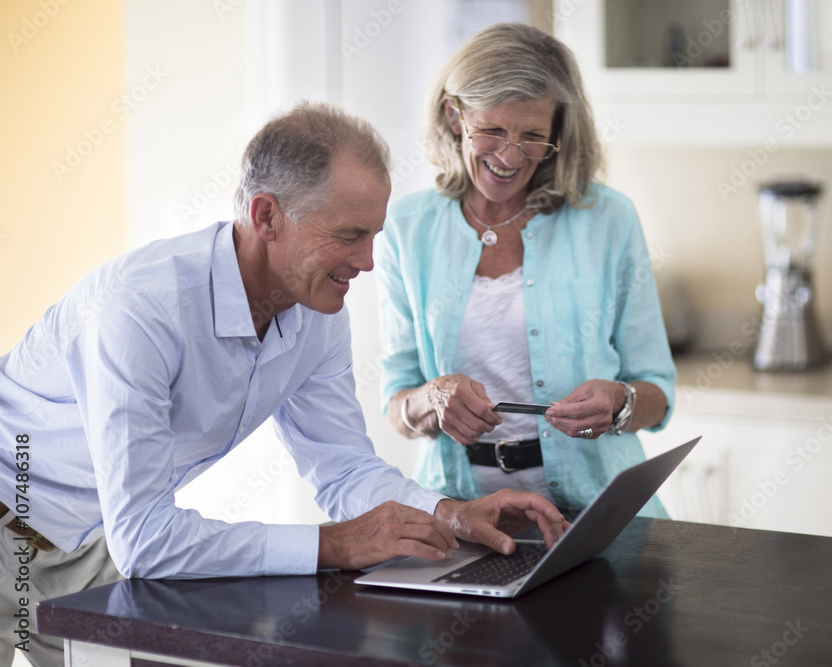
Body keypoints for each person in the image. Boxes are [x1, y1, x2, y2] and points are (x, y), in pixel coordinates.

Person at [0, 102, 568, 667]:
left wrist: (450, 514)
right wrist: (334, 544)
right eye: (348, 236)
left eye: (372, 235)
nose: (368, 262)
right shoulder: (141, 309)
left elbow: (344, 468)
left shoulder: (317, 309)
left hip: (88, 540)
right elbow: (146, 538)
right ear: (267, 216)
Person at [376, 23, 676, 519]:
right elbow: (397, 405)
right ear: (454, 115)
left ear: (557, 132)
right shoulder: (408, 230)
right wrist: (433, 399)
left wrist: (619, 402)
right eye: (492, 130)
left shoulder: (608, 219)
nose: (510, 157)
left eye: (533, 136)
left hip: (600, 515)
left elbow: (657, 395)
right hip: (462, 517)